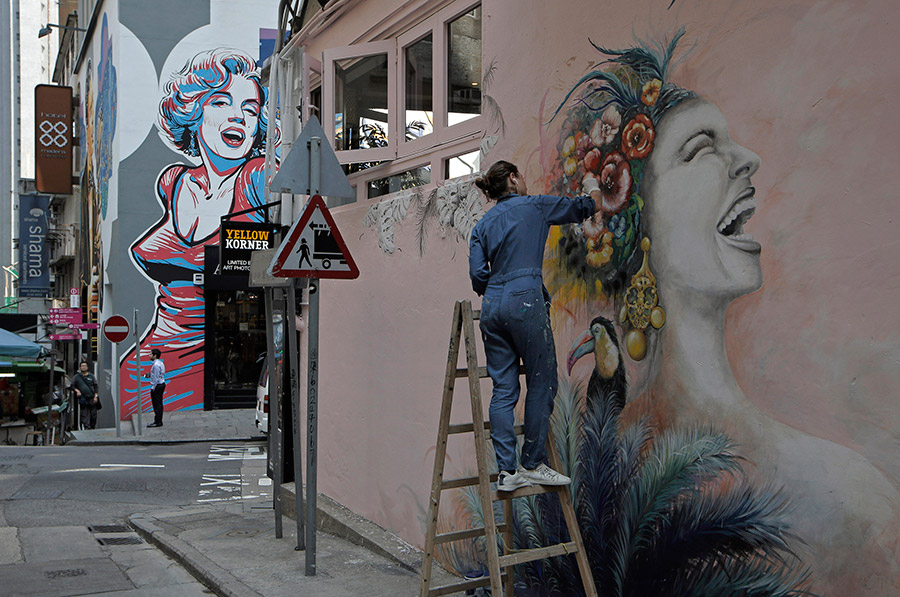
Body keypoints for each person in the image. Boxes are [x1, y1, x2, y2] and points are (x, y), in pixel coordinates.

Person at [549, 32, 900, 592]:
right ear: (637, 221)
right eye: (701, 148)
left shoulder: (859, 504)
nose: (747, 159)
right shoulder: (597, 457)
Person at [119, 49, 278, 417]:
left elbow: (295, 180)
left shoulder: (257, 178)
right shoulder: (172, 181)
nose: (238, 115)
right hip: (146, 366)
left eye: (251, 109)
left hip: (206, 370)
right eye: (221, 102)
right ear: (193, 110)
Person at [468, 160, 603, 491]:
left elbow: (477, 277)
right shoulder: (534, 206)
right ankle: (531, 463)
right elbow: (586, 207)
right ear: (513, 179)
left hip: (492, 306)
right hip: (525, 299)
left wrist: (499, 288)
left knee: (503, 390)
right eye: (522, 176)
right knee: (542, 380)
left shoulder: (482, 226)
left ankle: (506, 472)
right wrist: (592, 186)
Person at [70, 360, 99, 430]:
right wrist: (77, 391)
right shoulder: (77, 377)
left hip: (92, 397)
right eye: (82, 366)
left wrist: (96, 396)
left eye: (85, 366)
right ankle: (86, 426)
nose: (83, 367)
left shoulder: (91, 376)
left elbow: (96, 386)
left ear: (87, 367)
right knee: (84, 413)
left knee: (93, 414)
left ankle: (92, 427)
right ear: (80, 367)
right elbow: (72, 386)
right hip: (83, 398)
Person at [147, 348, 166, 428]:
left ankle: (157, 421)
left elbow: (155, 378)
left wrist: (153, 388)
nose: (149, 355)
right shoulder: (160, 363)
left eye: (150, 354)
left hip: (157, 386)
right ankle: (158, 420)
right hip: (161, 384)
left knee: (157, 404)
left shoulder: (155, 365)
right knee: (159, 404)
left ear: (155, 355)